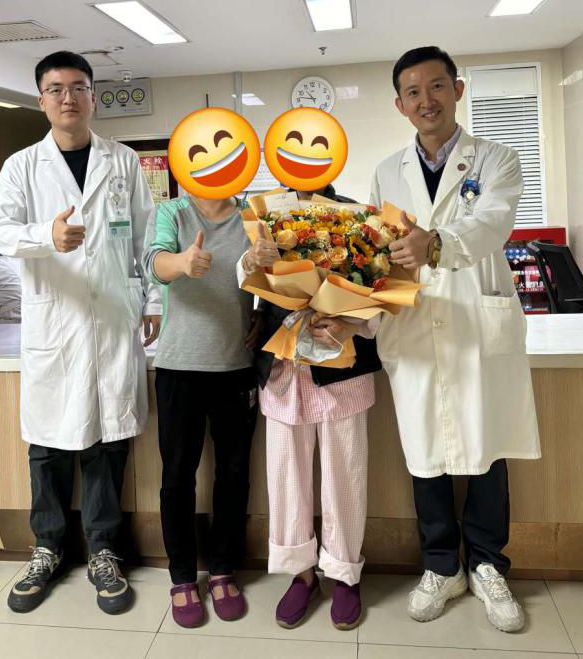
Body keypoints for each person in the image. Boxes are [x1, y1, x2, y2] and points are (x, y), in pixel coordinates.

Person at [370, 46, 541, 633]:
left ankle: (488, 565)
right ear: (400, 104)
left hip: (474, 320)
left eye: (437, 86)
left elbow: (493, 222)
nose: (427, 101)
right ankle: (441, 567)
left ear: (458, 90)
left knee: (487, 446)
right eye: (413, 92)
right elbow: (381, 250)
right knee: (425, 453)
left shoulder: (498, 159)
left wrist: (436, 244)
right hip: (415, 326)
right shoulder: (387, 171)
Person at [0, 51, 160, 615]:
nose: (68, 98)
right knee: (48, 446)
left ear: (93, 96)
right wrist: (46, 236)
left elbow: (145, 237)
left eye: (78, 87)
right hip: (54, 323)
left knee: (109, 442)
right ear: (41, 100)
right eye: (56, 89)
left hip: (112, 319)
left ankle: (104, 551)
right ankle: (48, 548)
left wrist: (154, 298)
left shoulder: (123, 161)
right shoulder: (22, 166)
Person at [238, 187, 382, 630]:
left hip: (340, 364)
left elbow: (381, 291)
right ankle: (300, 573)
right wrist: (251, 259)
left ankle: (344, 573)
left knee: (345, 474)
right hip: (284, 367)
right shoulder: (265, 213)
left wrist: (350, 321)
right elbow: (244, 276)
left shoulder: (355, 216)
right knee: (286, 475)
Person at [143, 193, 259, 628]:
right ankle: (182, 576)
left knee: (233, 474)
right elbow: (154, 262)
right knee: (177, 476)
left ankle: (224, 569)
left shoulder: (251, 213)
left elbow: (270, 279)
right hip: (178, 366)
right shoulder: (172, 211)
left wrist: (263, 315)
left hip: (236, 366)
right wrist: (182, 262)